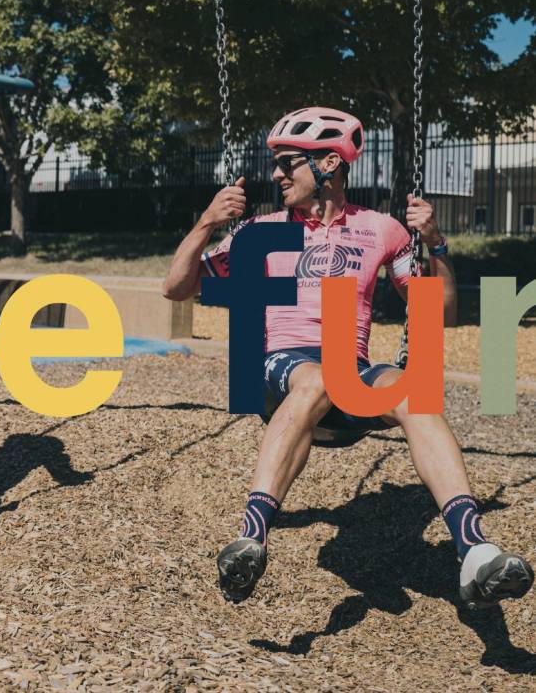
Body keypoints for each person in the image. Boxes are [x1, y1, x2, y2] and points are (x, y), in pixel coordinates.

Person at [163, 107, 533, 609]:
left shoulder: (381, 229)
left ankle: (474, 550)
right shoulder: (259, 231)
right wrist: (208, 221)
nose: (277, 174)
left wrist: (436, 243)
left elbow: (439, 314)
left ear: (329, 165)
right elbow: (176, 288)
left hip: (351, 374)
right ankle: (251, 538)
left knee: (415, 392)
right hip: (283, 370)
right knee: (317, 378)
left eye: (288, 162)